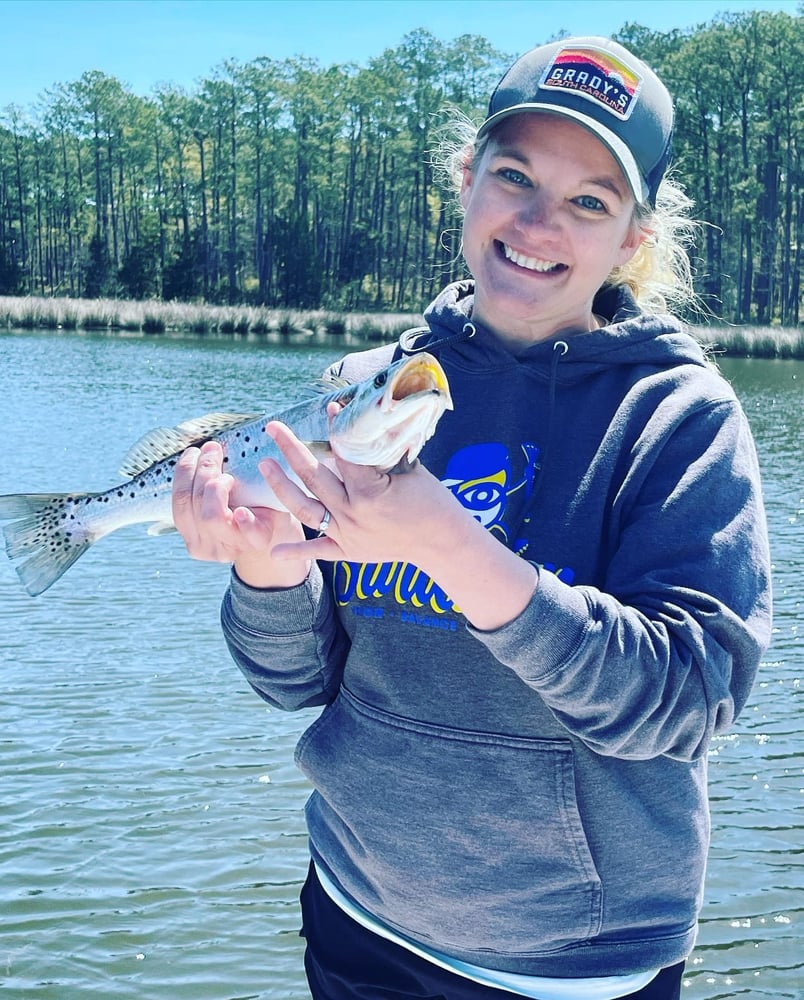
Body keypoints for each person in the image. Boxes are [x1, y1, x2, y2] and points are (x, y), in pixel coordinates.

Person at [173, 36, 772, 1000]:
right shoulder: (378, 388)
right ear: (465, 181)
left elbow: (688, 702)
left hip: (571, 968)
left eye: (589, 200)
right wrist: (270, 575)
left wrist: (451, 547)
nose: (539, 222)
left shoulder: (679, 418)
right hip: (355, 914)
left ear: (633, 240)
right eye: (515, 176)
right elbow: (297, 683)